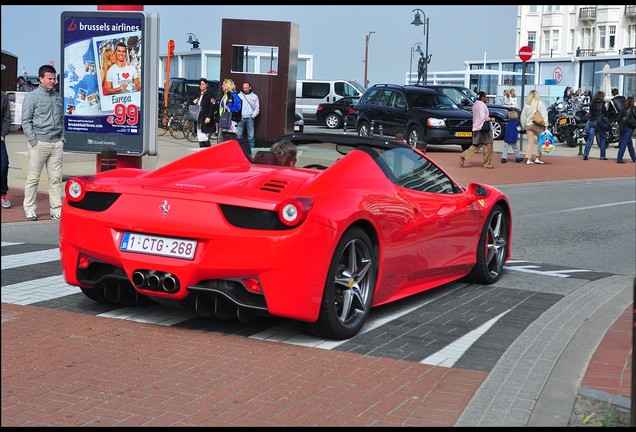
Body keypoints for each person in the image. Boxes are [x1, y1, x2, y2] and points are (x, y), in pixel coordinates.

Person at [21, 64, 65, 221]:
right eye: (49, 78)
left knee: (55, 179)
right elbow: (25, 121)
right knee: (33, 178)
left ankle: (56, 209)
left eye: (54, 79)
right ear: (40, 79)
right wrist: (33, 140)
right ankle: (30, 208)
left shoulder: (58, 97)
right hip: (39, 142)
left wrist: (62, 139)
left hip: (56, 143)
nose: (53, 81)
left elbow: (61, 119)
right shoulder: (32, 97)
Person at [459, 91, 495, 169]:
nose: (486, 98)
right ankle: (487, 163)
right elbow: (483, 117)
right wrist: (490, 119)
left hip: (475, 127)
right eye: (485, 97)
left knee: (476, 145)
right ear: (482, 97)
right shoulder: (482, 105)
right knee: (488, 145)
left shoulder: (475, 104)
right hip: (483, 128)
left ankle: (464, 155)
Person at [520, 89, 549, 165]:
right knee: (540, 141)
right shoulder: (539, 103)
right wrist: (546, 125)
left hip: (528, 125)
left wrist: (523, 126)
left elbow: (523, 117)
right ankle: (537, 157)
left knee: (530, 142)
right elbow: (544, 114)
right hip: (538, 125)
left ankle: (528, 158)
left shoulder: (527, 104)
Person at [582, 91, 609, 161]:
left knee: (590, 139)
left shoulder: (592, 103)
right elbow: (605, 113)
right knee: (602, 138)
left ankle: (585, 154)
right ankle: (602, 156)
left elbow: (590, 112)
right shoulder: (602, 104)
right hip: (599, 122)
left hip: (592, 121)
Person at [192, 78, 216, 148]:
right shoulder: (198, 93)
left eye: (203, 84)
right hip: (197, 116)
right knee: (199, 136)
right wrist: (194, 102)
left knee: (204, 135)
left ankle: (208, 150)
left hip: (205, 116)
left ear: (206, 85)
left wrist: (209, 117)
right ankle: (202, 150)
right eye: (200, 84)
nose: (201, 86)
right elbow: (192, 103)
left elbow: (212, 107)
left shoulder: (209, 94)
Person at [236, 81, 260, 148]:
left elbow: (257, 108)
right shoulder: (239, 96)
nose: (245, 89)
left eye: (246, 88)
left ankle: (251, 151)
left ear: (250, 88)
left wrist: (253, 116)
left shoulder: (254, 96)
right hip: (241, 118)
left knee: (251, 136)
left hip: (250, 118)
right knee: (239, 136)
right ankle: (239, 150)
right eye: (244, 88)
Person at [217, 78, 241, 142]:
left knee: (230, 138)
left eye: (224, 85)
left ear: (228, 86)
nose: (222, 86)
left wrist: (229, 108)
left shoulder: (234, 96)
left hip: (231, 120)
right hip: (224, 120)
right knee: (221, 139)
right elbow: (222, 105)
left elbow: (238, 108)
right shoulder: (225, 96)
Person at [615, 96, 636, 164]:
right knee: (624, 143)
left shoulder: (623, 109)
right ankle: (619, 158)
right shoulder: (633, 109)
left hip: (622, 127)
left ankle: (633, 157)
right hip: (629, 127)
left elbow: (618, 119)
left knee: (629, 143)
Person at [1, 91, 11, 208]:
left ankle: (2, 193)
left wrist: (3, 134)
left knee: (3, 164)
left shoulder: (2, 96)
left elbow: (7, 118)